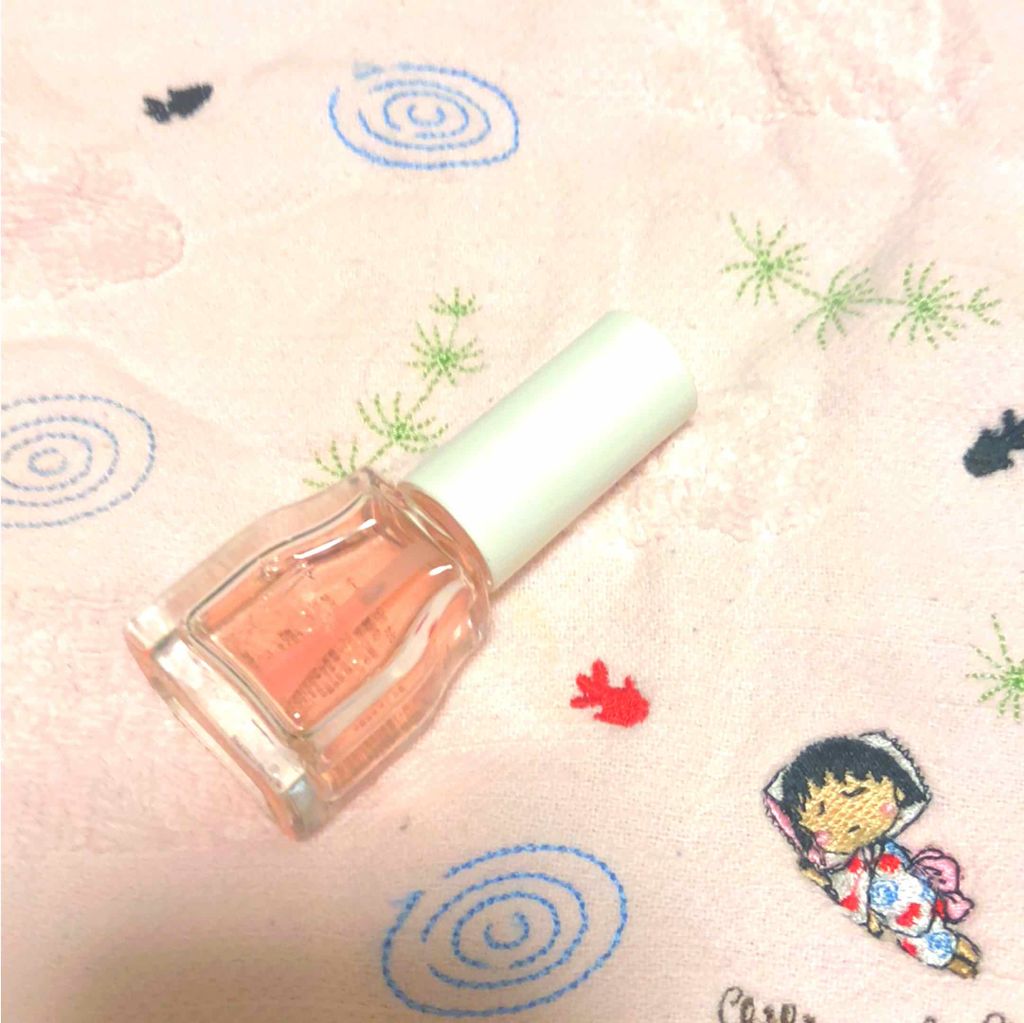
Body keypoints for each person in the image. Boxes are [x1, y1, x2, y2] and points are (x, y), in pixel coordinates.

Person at [764, 732, 979, 978]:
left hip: (925, 907)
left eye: (856, 794)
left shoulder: (884, 851)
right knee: (917, 934)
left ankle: (945, 941)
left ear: (898, 792)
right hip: (907, 925)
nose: (849, 817)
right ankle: (944, 953)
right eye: (821, 811)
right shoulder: (849, 870)